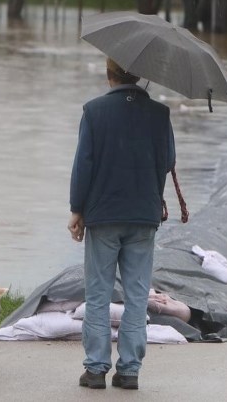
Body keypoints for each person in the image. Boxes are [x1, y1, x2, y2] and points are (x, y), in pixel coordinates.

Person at [68, 57, 176, 391]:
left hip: (103, 215)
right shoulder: (160, 114)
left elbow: (83, 165)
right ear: (141, 76)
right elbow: (168, 161)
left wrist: (77, 209)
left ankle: (96, 369)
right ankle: (129, 370)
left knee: (99, 294)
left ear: (108, 74)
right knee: (137, 295)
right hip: (144, 216)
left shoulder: (94, 111)